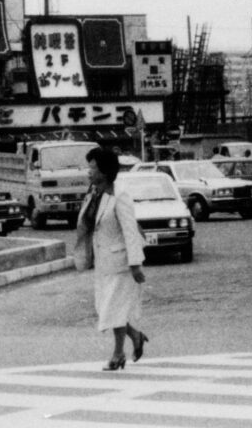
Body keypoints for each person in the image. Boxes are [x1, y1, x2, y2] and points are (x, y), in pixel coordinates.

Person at [75, 146, 149, 370]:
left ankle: (118, 354)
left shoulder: (120, 195)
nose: (89, 172)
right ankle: (135, 336)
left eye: (93, 168)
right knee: (106, 308)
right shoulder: (94, 193)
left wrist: (135, 264)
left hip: (120, 264)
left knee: (112, 309)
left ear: (105, 172)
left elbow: (130, 230)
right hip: (103, 263)